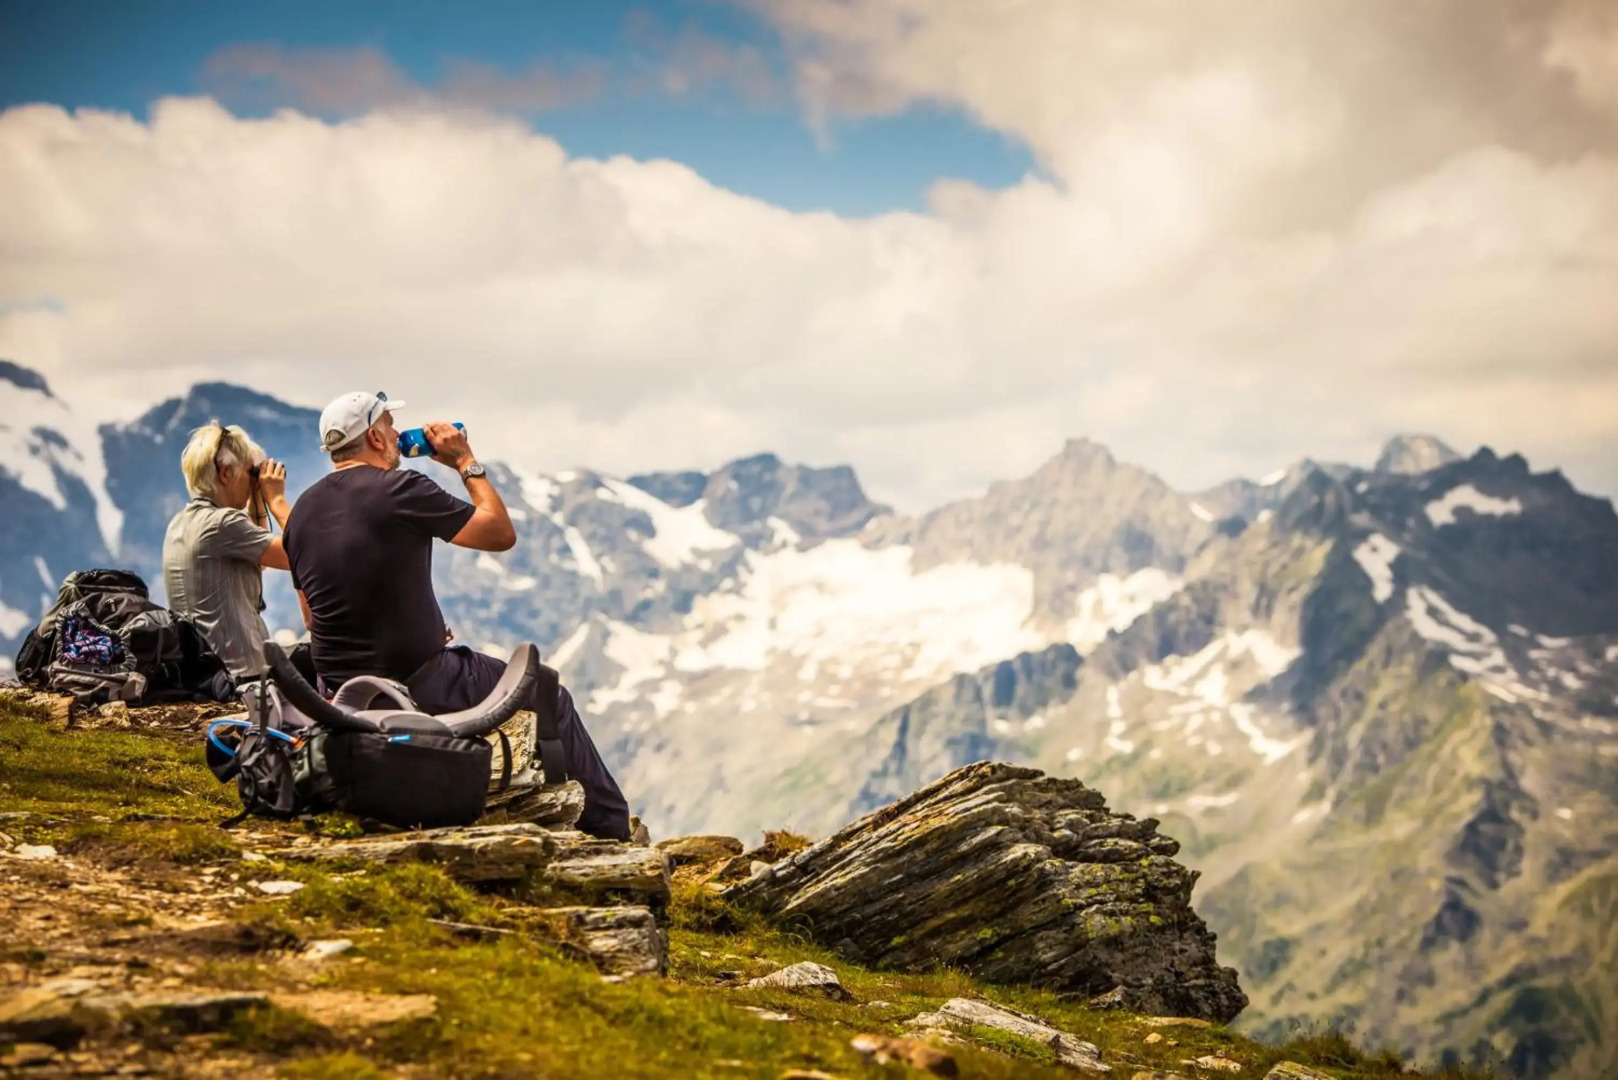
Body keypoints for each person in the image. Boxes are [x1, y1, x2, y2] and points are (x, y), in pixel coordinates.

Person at [283, 391, 631, 841]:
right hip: (420, 680)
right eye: (390, 427)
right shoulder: (400, 488)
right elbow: (499, 533)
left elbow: (312, 618)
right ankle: (606, 833)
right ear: (373, 436)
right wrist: (464, 459)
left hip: (340, 693)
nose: (397, 436)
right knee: (550, 694)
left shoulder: (302, 512)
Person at [162, 421, 291, 681]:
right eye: (250, 473)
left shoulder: (180, 522)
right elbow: (302, 555)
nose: (253, 481)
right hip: (244, 675)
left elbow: (259, 559)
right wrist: (276, 500)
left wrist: (256, 500)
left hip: (208, 673)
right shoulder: (223, 524)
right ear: (225, 472)